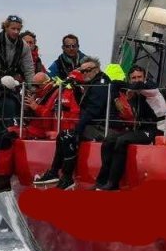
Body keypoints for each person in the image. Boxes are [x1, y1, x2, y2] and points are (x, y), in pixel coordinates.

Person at [35, 58, 110, 190]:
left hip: (102, 126)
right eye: (82, 71)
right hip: (95, 124)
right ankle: (54, 172)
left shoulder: (100, 85)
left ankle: (67, 177)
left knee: (68, 136)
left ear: (97, 70)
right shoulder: (94, 83)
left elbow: (92, 110)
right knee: (63, 135)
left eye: (88, 70)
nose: (85, 73)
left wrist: (77, 130)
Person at [95, 65, 164, 190]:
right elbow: (114, 83)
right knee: (109, 140)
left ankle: (113, 183)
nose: (137, 80)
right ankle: (101, 181)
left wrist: (129, 87)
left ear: (145, 78)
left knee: (122, 141)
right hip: (139, 128)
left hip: (155, 129)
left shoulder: (151, 88)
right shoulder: (134, 90)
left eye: (139, 77)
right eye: (134, 78)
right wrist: (116, 99)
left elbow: (138, 86)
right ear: (129, 79)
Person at [0, 15, 36, 137]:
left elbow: (29, 70)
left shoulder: (23, 46)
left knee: (13, 107)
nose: (16, 32)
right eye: (13, 28)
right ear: (6, 27)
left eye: (18, 29)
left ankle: (11, 134)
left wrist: (33, 90)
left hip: (12, 84)